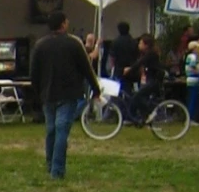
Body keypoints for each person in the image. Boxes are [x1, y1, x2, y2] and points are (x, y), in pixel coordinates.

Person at [30, 11, 101, 180]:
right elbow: (86, 68)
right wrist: (96, 89)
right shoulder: (74, 44)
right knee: (62, 130)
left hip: (47, 93)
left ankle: (50, 165)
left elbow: (34, 73)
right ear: (63, 24)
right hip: (68, 93)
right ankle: (57, 170)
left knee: (51, 130)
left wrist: (35, 95)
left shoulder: (40, 45)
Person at [123, 34, 165, 122]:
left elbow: (140, 63)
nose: (139, 45)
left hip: (154, 81)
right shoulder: (148, 54)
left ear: (146, 45)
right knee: (140, 97)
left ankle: (150, 112)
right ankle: (144, 117)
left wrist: (129, 70)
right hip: (151, 80)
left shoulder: (151, 54)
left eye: (140, 43)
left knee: (137, 96)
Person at [110, 22, 139, 95]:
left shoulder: (115, 42)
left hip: (119, 69)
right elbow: (137, 55)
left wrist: (113, 67)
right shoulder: (134, 42)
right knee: (129, 88)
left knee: (118, 89)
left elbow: (112, 57)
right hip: (131, 68)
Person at [185, 41, 199, 124]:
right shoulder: (193, 57)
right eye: (198, 48)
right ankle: (190, 118)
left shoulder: (189, 56)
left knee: (193, 99)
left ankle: (192, 118)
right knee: (193, 100)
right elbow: (193, 67)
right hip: (193, 80)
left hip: (190, 80)